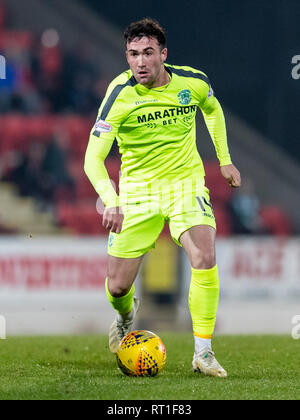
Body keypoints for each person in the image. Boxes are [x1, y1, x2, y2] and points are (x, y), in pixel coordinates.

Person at [84, 18, 241, 378]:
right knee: (118, 285)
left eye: (148, 53)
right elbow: (92, 158)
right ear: (126, 56)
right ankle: (125, 316)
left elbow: (212, 110)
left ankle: (203, 353)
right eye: (133, 54)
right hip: (137, 191)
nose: (140, 62)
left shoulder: (192, 82)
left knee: (204, 254)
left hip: (186, 184)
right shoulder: (119, 95)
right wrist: (111, 198)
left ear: (163, 54)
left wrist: (225, 159)